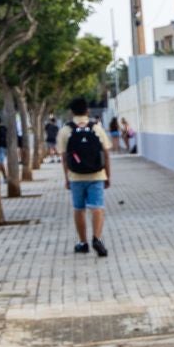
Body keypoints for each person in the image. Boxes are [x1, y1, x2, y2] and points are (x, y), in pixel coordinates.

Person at [61, 96, 113, 257]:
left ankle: (83, 243)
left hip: (76, 176)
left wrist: (67, 177)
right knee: (97, 207)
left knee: (79, 209)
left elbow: (64, 157)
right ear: (87, 110)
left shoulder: (66, 130)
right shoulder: (97, 128)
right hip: (96, 174)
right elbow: (106, 153)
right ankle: (96, 238)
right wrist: (107, 175)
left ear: (71, 112)